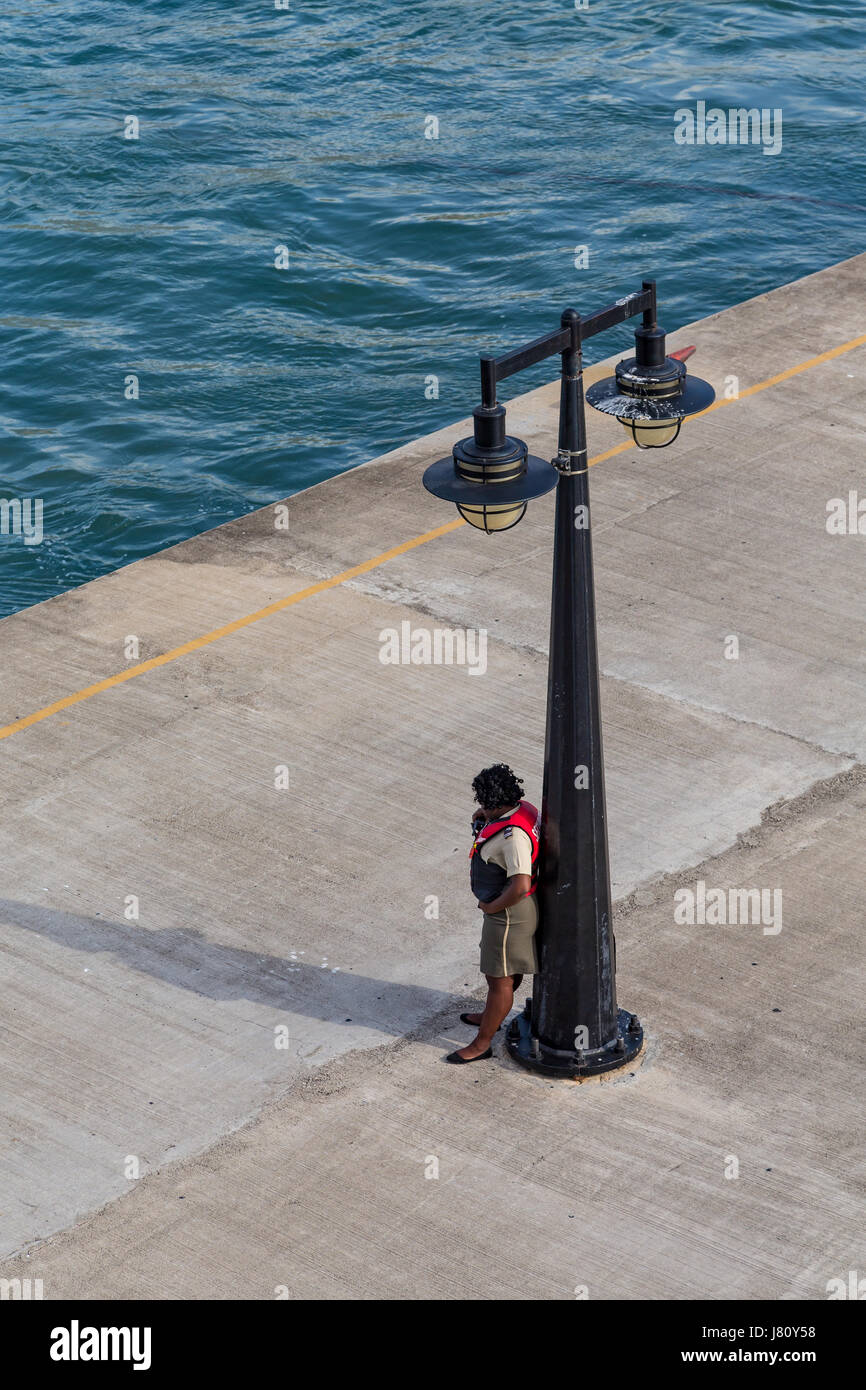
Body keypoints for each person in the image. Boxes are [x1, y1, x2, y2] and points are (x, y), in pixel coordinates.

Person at [445, 763, 540, 1064]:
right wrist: (489, 817)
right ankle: (490, 1015)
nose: (481, 807)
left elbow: (521, 883)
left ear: (496, 802)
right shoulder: (520, 809)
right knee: (501, 974)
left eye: (485, 803)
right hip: (507, 911)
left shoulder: (513, 838)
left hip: (509, 914)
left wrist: (491, 906)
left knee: (499, 978)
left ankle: (482, 1043)